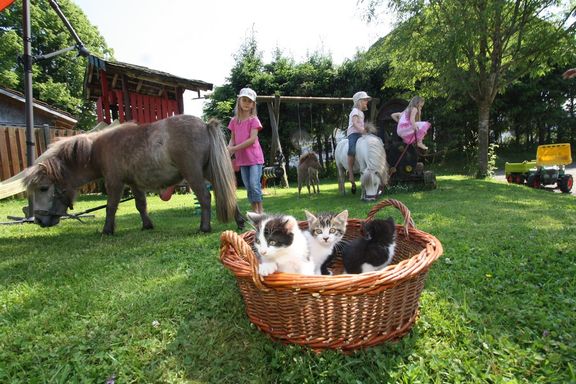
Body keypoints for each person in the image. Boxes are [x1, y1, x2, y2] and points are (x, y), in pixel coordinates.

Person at [227, 87, 265, 214]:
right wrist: (228, 149)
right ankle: (254, 210)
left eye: (250, 101)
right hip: (242, 159)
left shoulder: (254, 120)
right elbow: (232, 139)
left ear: (253, 104)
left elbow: (252, 139)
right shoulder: (233, 121)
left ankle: (260, 210)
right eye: (244, 100)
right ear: (239, 101)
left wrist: (234, 148)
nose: (247, 103)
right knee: (249, 187)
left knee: (254, 184)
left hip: (254, 158)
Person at [347, 91, 372, 194]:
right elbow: (355, 123)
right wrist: (362, 130)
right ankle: (350, 172)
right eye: (365, 100)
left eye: (367, 100)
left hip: (361, 133)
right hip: (354, 133)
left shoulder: (361, 113)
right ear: (358, 101)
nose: (366, 102)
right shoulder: (355, 111)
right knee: (352, 150)